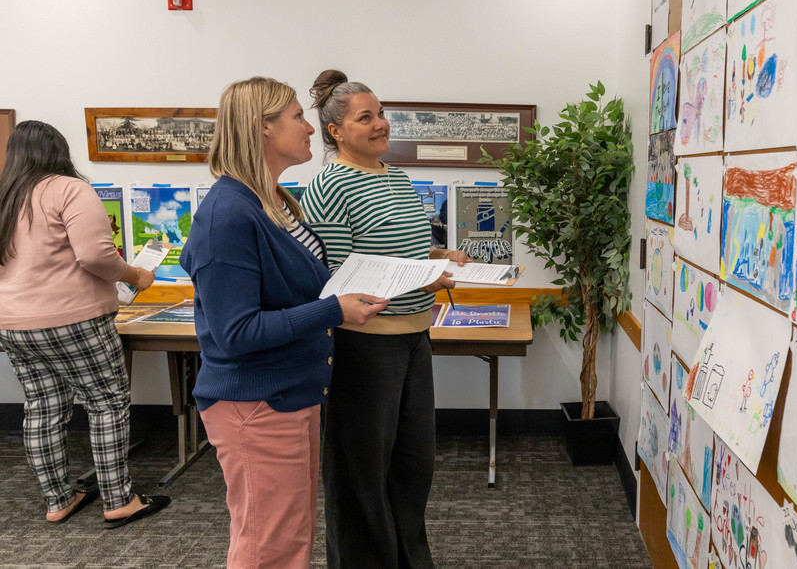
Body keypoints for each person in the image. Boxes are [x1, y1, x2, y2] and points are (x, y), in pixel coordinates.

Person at [180, 76, 388, 569]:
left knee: (290, 538)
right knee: (267, 545)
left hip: (291, 394)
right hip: (256, 402)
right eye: (297, 117)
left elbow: (296, 289)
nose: (310, 128)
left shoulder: (273, 200)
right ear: (263, 127)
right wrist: (335, 310)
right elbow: (236, 333)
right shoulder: (227, 214)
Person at [301, 69, 470, 569]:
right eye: (365, 118)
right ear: (336, 131)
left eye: (381, 114)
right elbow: (338, 277)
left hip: (415, 337)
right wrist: (421, 280)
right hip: (364, 345)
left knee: (413, 468)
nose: (380, 124)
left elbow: (403, 250)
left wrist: (439, 256)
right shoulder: (329, 186)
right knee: (362, 476)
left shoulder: (395, 176)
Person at [0, 121, 170, 528]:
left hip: (13, 324)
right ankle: (118, 499)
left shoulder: (5, 196)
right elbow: (94, 256)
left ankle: (59, 500)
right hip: (73, 319)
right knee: (107, 402)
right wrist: (135, 275)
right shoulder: (69, 189)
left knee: (42, 407)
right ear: (59, 152)